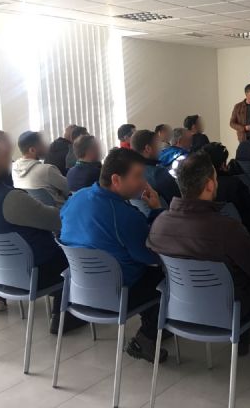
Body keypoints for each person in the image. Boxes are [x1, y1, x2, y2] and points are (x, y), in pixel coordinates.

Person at [147, 152, 250, 356]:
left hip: (181, 308)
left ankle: (243, 335)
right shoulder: (226, 228)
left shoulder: (159, 224)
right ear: (210, 185)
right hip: (229, 310)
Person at [60, 148, 168, 363]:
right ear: (116, 179)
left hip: (78, 291)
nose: (143, 182)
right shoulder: (124, 216)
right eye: (138, 176)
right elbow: (153, 255)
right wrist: (156, 211)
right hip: (117, 295)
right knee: (169, 275)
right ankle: (147, 336)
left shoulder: (77, 197)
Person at [0, 140, 83, 331]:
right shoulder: (10, 198)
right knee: (76, 257)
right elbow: (58, 221)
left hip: (1, 272)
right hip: (36, 272)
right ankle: (63, 316)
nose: (11, 163)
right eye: (6, 159)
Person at [201, 142, 250, 245]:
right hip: (243, 238)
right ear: (223, 164)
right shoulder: (233, 184)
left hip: (209, 240)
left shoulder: (197, 188)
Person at [12, 131, 69, 208]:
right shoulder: (47, 170)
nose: (47, 147)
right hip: (59, 212)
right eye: (43, 145)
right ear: (32, 150)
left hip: (33, 213)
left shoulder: (13, 169)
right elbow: (69, 188)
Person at [131, 130, 180, 205]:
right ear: (148, 148)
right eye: (157, 145)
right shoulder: (158, 174)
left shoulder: (129, 173)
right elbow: (178, 201)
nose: (161, 149)